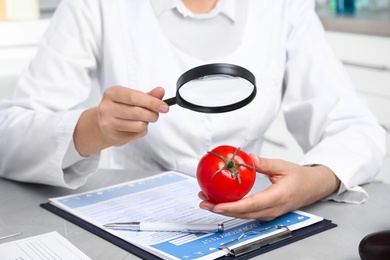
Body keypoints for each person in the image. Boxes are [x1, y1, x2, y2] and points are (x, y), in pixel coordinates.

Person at [0, 0, 386, 221]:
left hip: (249, 228)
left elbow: (357, 130)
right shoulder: (95, 4)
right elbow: (8, 134)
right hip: (129, 221)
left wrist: (310, 184)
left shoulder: (284, 6)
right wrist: (91, 128)